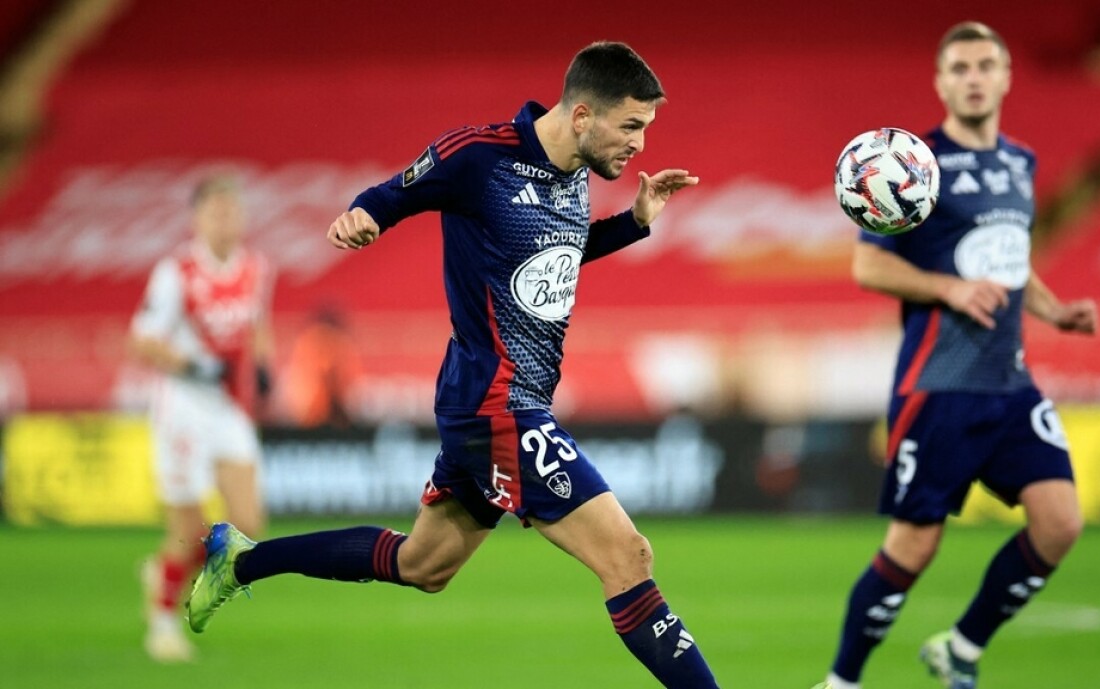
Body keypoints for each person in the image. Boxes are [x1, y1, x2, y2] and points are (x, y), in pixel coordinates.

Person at [186, 42, 718, 688]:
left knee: (424, 564)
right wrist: (365, 216)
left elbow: (554, 253)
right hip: (498, 403)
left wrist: (632, 222)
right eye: (631, 125)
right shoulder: (480, 157)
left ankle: (240, 561)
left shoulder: (576, 173)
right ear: (582, 115)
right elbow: (393, 193)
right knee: (628, 556)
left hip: (498, 402)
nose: (639, 143)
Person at [813, 22, 1098, 689]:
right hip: (940, 384)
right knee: (914, 545)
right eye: (961, 68)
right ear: (941, 83)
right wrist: (949, 288)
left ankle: (961, 648)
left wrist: (1054, 310)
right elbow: (868, 266)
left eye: (985, 65)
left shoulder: (1021, 162)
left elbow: (1009, 257)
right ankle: (841, 681)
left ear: (1005, 77)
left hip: (1010, 383)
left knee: (1060, 523)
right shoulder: (912, 164)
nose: (974, 78)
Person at [130, 174, 276, 662]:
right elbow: (143, 339)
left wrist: (264, 368)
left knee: (248, 524)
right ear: (197, 218)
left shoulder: (255, 267)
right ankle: (162, 625)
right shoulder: (176, 272)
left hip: (228, 408)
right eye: (216, 211)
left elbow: (257, 324)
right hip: (183, 410)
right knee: (189, 527)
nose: (225, 220)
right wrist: (194, 366)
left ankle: (164, 570)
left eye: (232, 211)